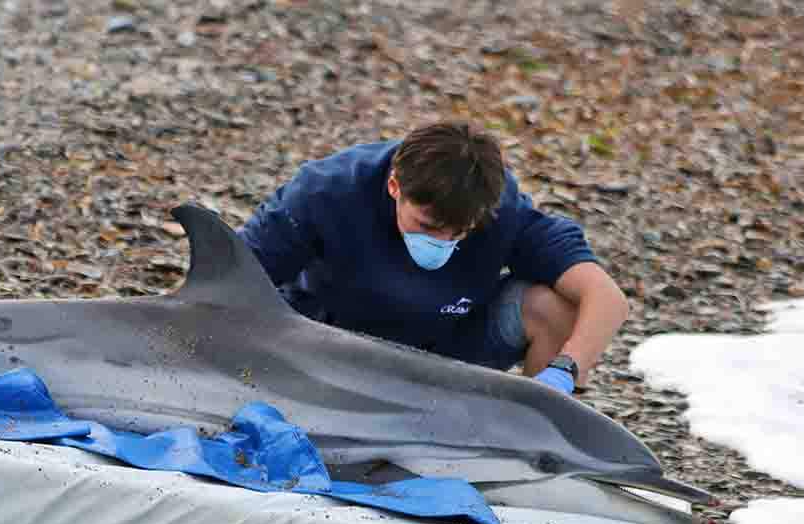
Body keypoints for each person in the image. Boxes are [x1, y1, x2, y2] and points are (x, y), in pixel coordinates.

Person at [237, 121, 629, 394]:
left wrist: (565, 370)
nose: (441, 240)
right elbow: (229, 276)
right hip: (327, 346)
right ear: (395, 186)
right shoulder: (325, 192)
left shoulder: (503, 210)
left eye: (458, 232)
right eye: (427, 225)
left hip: (443, 355)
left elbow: (607, 298)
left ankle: (533, 442)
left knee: (553, 308)